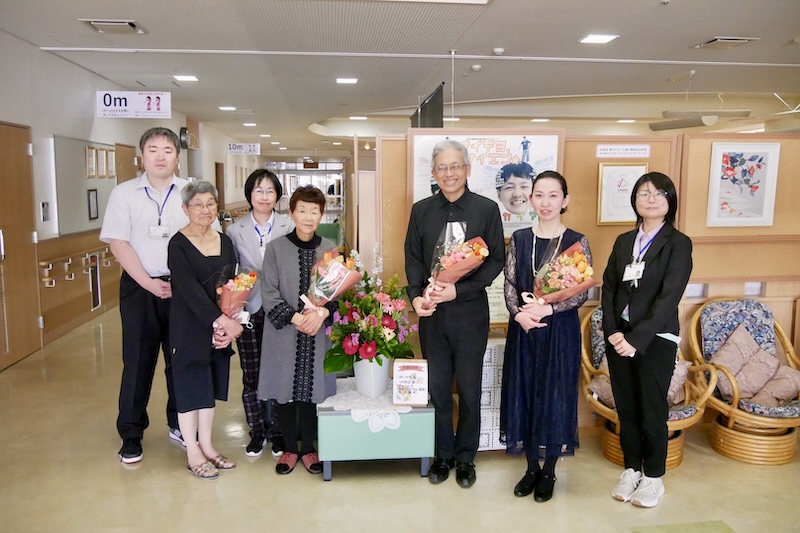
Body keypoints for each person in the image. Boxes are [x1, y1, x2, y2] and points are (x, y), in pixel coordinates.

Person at [101, 127, 208, 464]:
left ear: (178, 155)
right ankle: (131, 433)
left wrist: (190, 284)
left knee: (181, 359)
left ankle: (180, 424)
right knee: (137, 361)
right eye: (153, 150)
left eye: (167, 150)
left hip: (184, 289)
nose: (160, 156)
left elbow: (207, 237)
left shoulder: (192, 192)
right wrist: (148, 283)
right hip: (138, 287)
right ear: (141, 155)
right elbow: (118, 242)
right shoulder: (124, 193)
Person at [404, 139, 504, 488]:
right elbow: (414, 259)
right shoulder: (421, 211)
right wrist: (416, 297)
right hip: (433, 317)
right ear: (433, 173)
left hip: (469, 316)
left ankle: (466, 459)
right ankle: (442, 456)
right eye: (442, 167)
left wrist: (459, 289)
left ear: (467, 169)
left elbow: (495, 261)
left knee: (472, 393)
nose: (449, 173)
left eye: (455, 166)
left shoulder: (486, 210)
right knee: (439, 392)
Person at [500, 170, 592, 503]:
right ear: (530, 198)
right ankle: (530, 467)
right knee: (524, 392)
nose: (546, 202)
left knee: (555, 396)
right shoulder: (521, 239)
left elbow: (581, 291)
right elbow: (510, 284)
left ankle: (550, 469)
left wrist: (549, 310)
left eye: (553, 195)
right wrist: (520, 314)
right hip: (524, 331)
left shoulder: (576, 241)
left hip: (559, 331)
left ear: (564, 200)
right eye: (539, 194)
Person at [602, 172, 692, 508]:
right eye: (643, 193)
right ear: (635, 201)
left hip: (656, 339)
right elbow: (609, 287)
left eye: (658, 193)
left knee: (652, 408)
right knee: (627, 407)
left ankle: (653, 477)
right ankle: (631, 469)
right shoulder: (625, 241)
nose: (650, 199)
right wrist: (613, 331)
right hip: (620, 337)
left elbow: (669, 297)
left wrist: (636, 340)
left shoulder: (677, 243)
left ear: (670, 201)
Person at [258, 186, 338, 475]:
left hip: (317, 331)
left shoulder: (329, 249)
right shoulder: (276, 249)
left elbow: (337, 293)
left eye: (314, 211)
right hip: (284, 332)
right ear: (291, 213)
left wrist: (323, 313)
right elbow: (269, 292)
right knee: (285, 390)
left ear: (321, 214)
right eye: (301, 210)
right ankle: (290, 448)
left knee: (311, 390)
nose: (307, 216)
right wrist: (296, 318)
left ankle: (309, 449)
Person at [168, 181, 244, 479]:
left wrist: (227, 319)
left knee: (209, 386)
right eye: (198, 204)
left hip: (218, 326)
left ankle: (208, 445)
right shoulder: (177, 244)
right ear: (185, 208)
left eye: (210, 203)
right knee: (189, 387)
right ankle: (192, 451)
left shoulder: (224, 241)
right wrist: (220, 321)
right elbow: (188, 291)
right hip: (189, 326)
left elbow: (231, 284)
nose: (205, 210)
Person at [226, 169, 293, 458]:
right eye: (258, 190)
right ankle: (257, 431)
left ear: (277, 195)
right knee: (251, 374)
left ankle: (278, 431)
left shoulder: (288, 226)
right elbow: (232, 272)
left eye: (269, 190)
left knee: (279, 371)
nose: (264, 196)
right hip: (250, 310)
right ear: (249, 195)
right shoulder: (234, 230)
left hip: (280, 309)